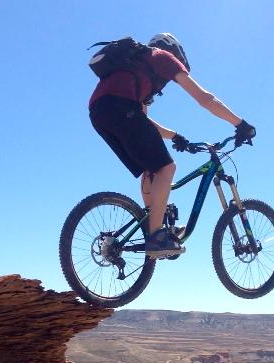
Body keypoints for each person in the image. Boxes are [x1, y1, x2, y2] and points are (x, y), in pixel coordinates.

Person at [89, 33, 256, 258]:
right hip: (119, 108)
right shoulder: (163, 57)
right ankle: (156, 236)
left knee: (152, 168)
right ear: (174, 51)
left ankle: (153, 224)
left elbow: (142, 121)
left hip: (99, 113)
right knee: (167, 168)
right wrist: (241, 124)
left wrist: (175, 136)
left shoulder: (138, 70)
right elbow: (205, 99)